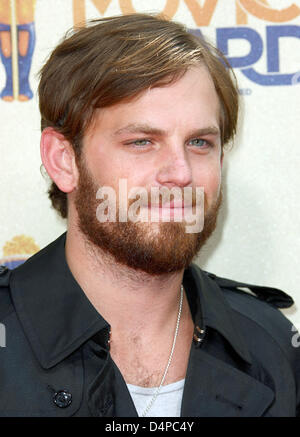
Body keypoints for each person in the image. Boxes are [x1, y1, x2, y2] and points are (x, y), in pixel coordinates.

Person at [0, 13, 299, 417]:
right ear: (63, 160)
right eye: (142, 141)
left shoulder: (274, 345)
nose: (181, 173)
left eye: (199, 142)